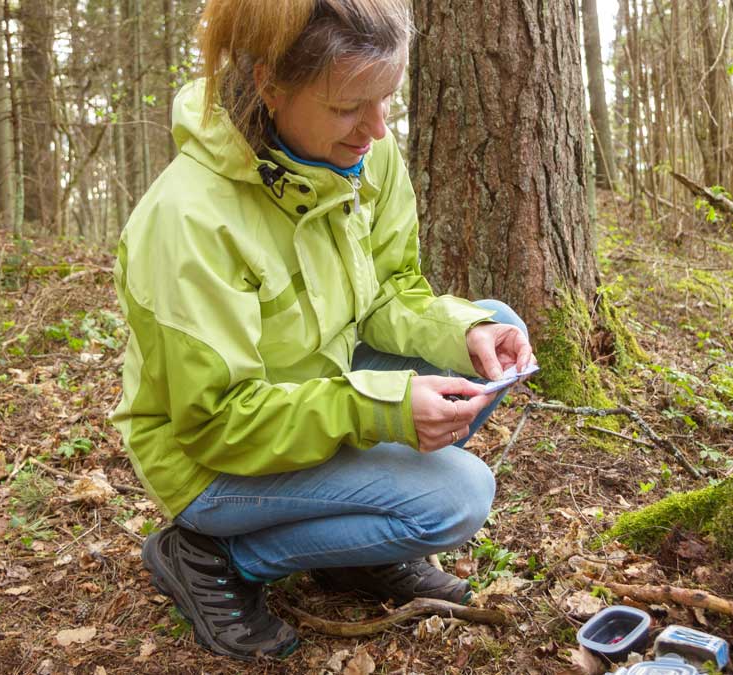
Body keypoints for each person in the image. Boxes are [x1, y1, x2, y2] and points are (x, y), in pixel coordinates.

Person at [111, 0, 536, 661]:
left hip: (317, 393)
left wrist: (465, 331)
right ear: (268, 84)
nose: (375, 128)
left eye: (386, 98)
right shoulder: (189, 220)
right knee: (457, 497)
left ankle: (356, 555)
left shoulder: (370, 154)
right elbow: (216, 421)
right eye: (347, 107)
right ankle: (212, 553)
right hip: (213, 460)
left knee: (497, 330)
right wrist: (381, 409)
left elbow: (391, 293)